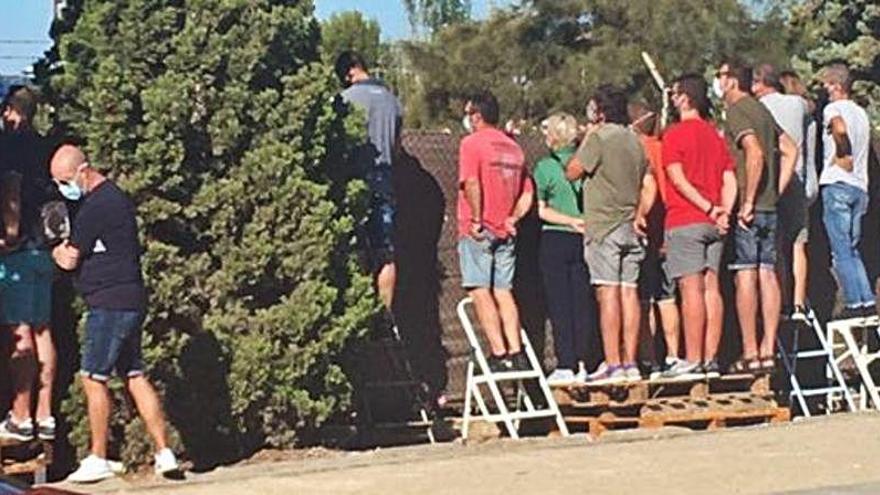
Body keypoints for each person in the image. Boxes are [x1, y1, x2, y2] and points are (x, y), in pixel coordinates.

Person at [48, 145, 179, 482]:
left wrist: (58, 252)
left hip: (109, 302)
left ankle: (97, 456)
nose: (64, 188)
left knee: (93, 378)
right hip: (130, 298)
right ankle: (165, 453)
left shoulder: (96, 207)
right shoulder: (116, 199)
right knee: (134, 374)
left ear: (83, 171)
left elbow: (71, 258)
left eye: (64, 181)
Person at [714, 60, 798, 373]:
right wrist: (775, 190)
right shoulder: (762, 110)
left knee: (746, 274)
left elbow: (754, 152)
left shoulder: (738, 111)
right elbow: (790, 149)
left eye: (721, 76)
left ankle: (751, 351)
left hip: (749, 208)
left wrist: (748, 199)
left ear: (733, 80)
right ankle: (767, 349)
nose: (719, 82)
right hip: (769, 207)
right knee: (767, 273)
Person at [652, 75, 737, 379]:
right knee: (711, 288)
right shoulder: (715, 136)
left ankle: (694, 357)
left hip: (687, 219)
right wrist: (724, 211)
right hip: (714, 222)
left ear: (685, 98)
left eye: (675, 95)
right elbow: (729, 178)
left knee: (690, 290)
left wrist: (707, 207)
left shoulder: (674, 135)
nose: (673, 100)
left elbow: (677, 178)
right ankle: (711, 358)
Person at [566, 85, 648, 384]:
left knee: (608, 292)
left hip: (604, 225)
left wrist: (587, 136)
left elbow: (572, 171)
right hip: (631, 224)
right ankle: (630, 362)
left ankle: (612, 362)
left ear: (600, 111)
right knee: (630, 292)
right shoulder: (635, 141)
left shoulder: (599, 138)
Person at [457, 91, 533, 372]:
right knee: (504, 291)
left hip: (480, 229)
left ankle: (500, 354)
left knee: (480, 291)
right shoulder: (514, 148)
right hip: (506, 230)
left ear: (477, 116)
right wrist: (514, 217)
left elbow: (471, 182)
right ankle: (517, 350)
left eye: (468, 114)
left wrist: (476, 218)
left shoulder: (471, 144)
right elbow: (528, 194)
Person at [0, 86, 58, 442]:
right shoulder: (42, 145)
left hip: (19, 250)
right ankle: (44, 412)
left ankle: (20, 416)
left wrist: (7, 236)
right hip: (44, 248)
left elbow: (12, 189)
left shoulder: (11, 146)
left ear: (10, 110)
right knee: (42, 329)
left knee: (19, 332)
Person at [335, 51, 403, 312]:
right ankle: (385, 315)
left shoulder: (345, 99)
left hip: (354, 183)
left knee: (357, 252)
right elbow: (397, 149)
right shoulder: (393, 101)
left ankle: (359, 311)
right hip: (385, 182)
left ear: (349, 73)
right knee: (385, 253)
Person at [534, 112, 597, 384]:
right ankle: (585, 361)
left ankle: (566, 362)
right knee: (582, 302)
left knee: (560, 304)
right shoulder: (586, 163)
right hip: (584, 237)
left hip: (556, 237)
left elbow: (542, 210)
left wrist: (568, 220)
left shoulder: (545, 167)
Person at [752, 64, 814, 323]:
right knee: (799, 243)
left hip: (773, 180)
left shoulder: (759, 109)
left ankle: (781, 301)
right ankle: (799, 303)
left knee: (775, 245)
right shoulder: (797, 104)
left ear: (760, 83)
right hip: (798, 178)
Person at [816, 63, 874, 320]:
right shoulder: (862, 114)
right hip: (860, 187)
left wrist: (842, 153)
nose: (824, 89)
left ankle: (853, 302)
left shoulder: (833, 108)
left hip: (838, 182)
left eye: (827, 84)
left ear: (837, 86)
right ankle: (866, 300)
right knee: (852, 248)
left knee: (840, 250)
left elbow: (839, 128)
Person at [628, 102, 681, 380]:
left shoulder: (636, 149)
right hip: (669, 230)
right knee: (667, 297)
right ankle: (673, 355)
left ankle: (649, 360)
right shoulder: (664, 146)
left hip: (646, 231)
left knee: (645, 298)